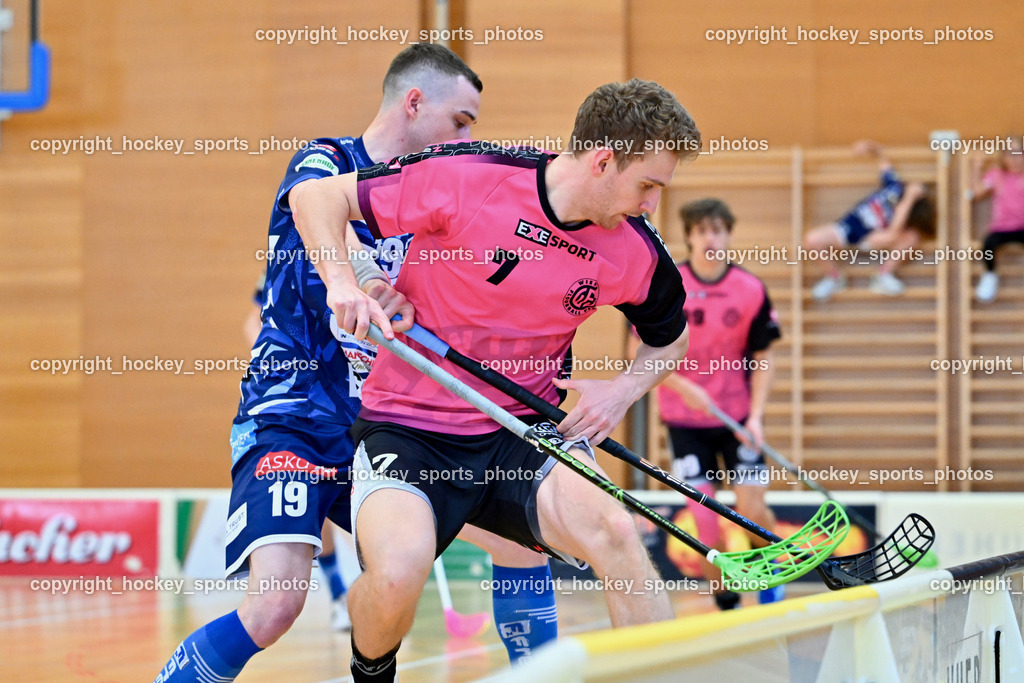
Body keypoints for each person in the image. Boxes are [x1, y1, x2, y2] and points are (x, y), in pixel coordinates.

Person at [155, 44, 556, 683]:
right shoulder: (325, 162)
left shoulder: (427, 202)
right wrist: (357, 282)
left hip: (379, 426)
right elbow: (322, 216)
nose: (465, 138)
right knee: (276, 605)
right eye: (461, 121)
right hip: (291, 415)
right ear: (414, 103)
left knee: (520, 544)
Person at [289, 77, 700, 682]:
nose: (651, 205)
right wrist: (344, 282)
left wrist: (620, 391)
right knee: (398, 575)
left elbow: (672, 338)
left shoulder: (635, 251)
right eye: (647, 185)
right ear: (604, 160)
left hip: (524, 429)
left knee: (617, 531)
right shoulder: (470, 177)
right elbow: (316, 199)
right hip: (410, 427)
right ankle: (369, 667)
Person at [647, 198, 782, 610]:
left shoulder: (750, 290)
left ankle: (774, 583)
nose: (711, 237)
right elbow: (646, 356)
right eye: (702, 229)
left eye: (718, 229)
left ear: (728, 236)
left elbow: (764, 359)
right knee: (705, 524)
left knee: (752, 508)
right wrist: (685, 387)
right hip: (685, 422)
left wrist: (756, 418)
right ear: (688, 236)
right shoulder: (667, 287)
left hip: (737, 419)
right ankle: (727, 599)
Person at [804, 140, 936, 301]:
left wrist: (909, 198)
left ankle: (883, 276)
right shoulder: (894, 185)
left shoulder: (905, 210)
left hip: (872, 238)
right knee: (812, 239)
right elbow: (883, 160)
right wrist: (870, 147)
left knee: (913, 237)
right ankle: (834, 278)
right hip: (847, 228)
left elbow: (894, 231)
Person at [971, 137, 1024, 302]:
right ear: (1003, 158)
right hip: (1001, 228)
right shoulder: (996, 175)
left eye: (1019, 153)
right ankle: (990, 276)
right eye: (1010, 154)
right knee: (988, 245)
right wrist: (975, 168)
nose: (1015, 158)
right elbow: (977, 191)